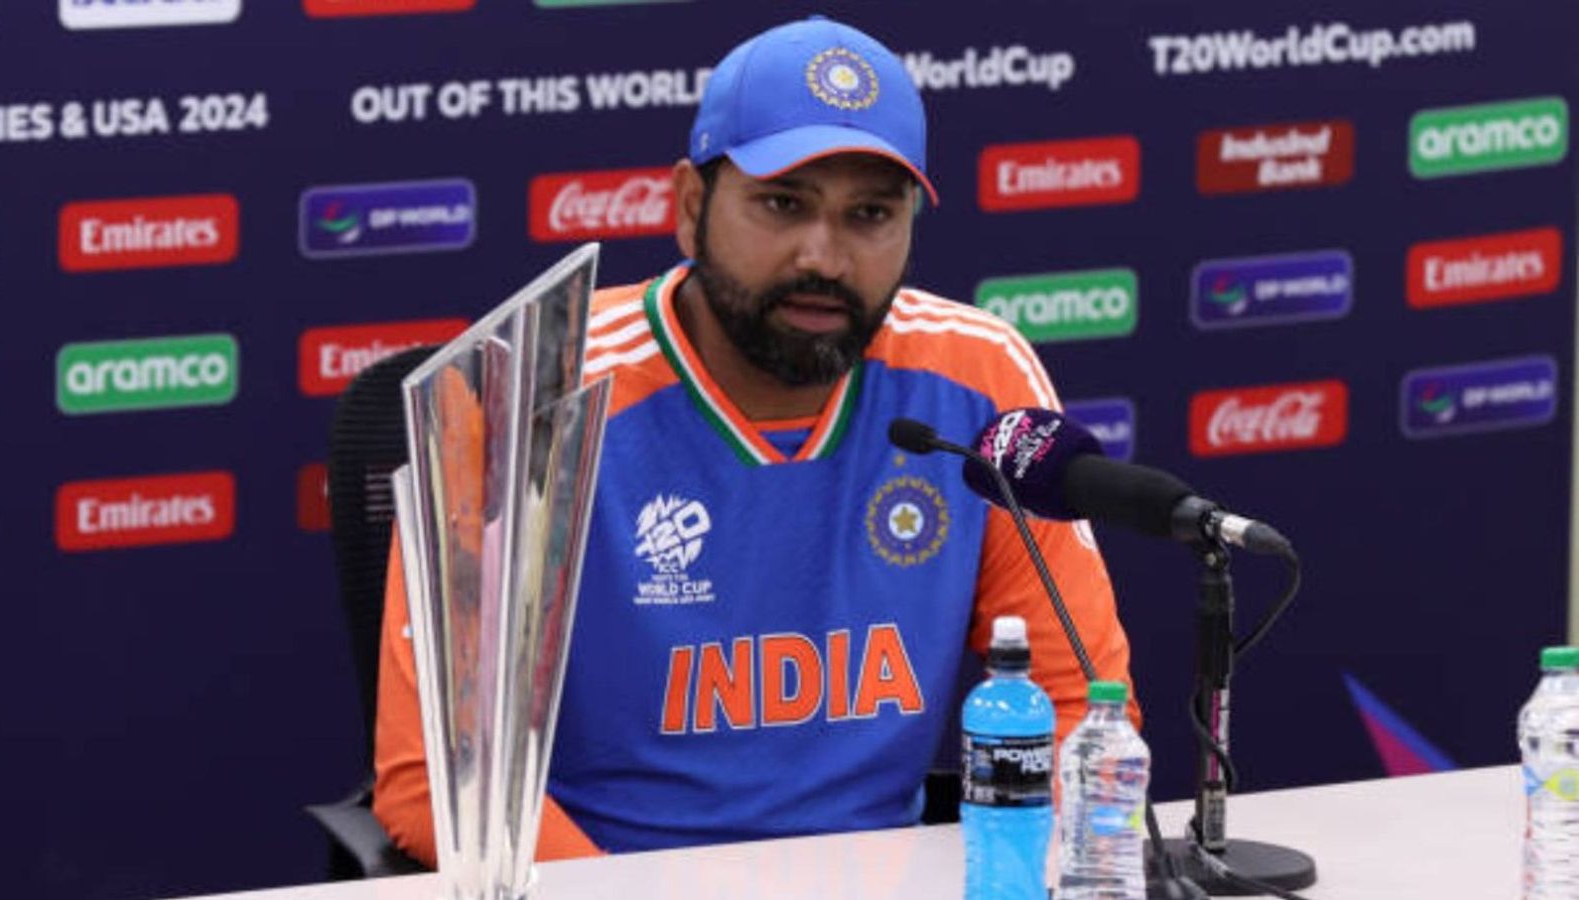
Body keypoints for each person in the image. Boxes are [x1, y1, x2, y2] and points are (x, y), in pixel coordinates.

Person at [372, 15, 1136, 865]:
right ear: (691, 205)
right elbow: (442, 784)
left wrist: (1014, 876)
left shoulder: (976, 376)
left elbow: (1082, 710)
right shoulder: (531, 394)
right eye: (783, 204)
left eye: (870, 215)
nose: (826, 257)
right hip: (610, 882)